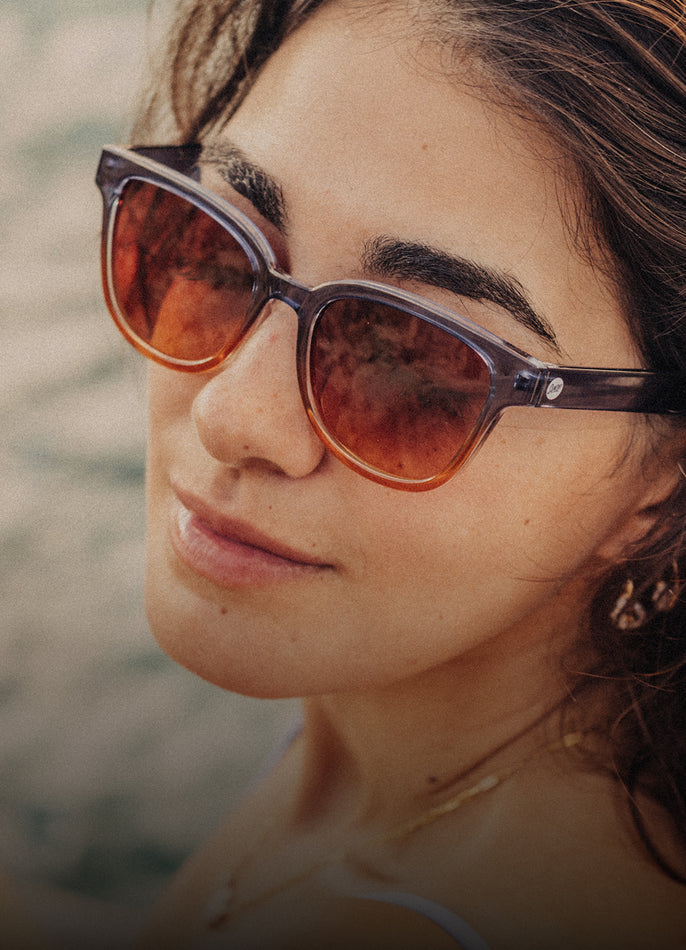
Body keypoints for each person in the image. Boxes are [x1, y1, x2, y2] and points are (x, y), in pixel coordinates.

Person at [95, 0, 686, 946]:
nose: (231, 415)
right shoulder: (396, 758)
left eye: (414, 359)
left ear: (662, 477)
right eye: (215, 247)